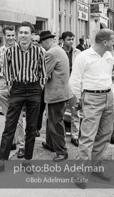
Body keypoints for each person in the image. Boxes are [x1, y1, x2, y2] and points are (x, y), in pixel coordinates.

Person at [0, 21, 47, 175]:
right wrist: (11, 87)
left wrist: (38, 88)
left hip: (34, 88)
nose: (23, 35)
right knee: (9, 127)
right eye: (20, 32)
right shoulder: (10, 52)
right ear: (17, 34)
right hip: (17, 89)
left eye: (26, 33)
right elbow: (6, 72)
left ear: (32, 35)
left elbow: (44, 73)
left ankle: (27, 161)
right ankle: (1, 162)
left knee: (31, 128)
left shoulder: (39, 51)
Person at [70, 29, 114, 189]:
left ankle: (95, 168)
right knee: (88, 137)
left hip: (108, 97)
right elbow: (74, 81)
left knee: (104, 135)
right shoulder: (83, 57)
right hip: (91, 98)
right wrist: (78, 100)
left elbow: (107, 75)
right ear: (104, 42)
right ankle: (80, 174)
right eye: (112, 40)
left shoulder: (109, 56)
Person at [0, 25, 25, 159]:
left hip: (17, 85)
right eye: (9, 35)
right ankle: (12, 141)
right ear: (4, 36)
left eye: (13, 35)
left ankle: (21, 146)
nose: (11, 38)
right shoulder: (0, 51)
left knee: (18, 119)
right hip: (3, 84)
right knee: (8, 118)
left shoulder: (23, 50)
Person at [39, 31, 69, 162]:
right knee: (51, 120)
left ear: (45, 42)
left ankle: (62, 152)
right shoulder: (59, 50)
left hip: (56, 94)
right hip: (62, 93)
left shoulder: (50, 53)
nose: (42, 47)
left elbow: (44, 74)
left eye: (42, 44)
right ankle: (51, 144)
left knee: (56, 123)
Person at [60, 31, 81, 147]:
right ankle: (61, 136)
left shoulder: (78, 52)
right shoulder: (59, 51)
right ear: (63, 41)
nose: (71, 41)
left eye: (72, 39)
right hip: (62, 86)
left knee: (75, 112)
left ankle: (75, 136)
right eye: (69, 39)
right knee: (61, 113)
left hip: (74, 87)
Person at [32, 34, 46, 137]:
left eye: (37, 41)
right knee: (30, 109)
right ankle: (31, 128)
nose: (35, 42)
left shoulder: (44, 53)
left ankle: (37, 128)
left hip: (41, 85)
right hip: (30, 85)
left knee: (40, 108)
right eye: (33, 40)